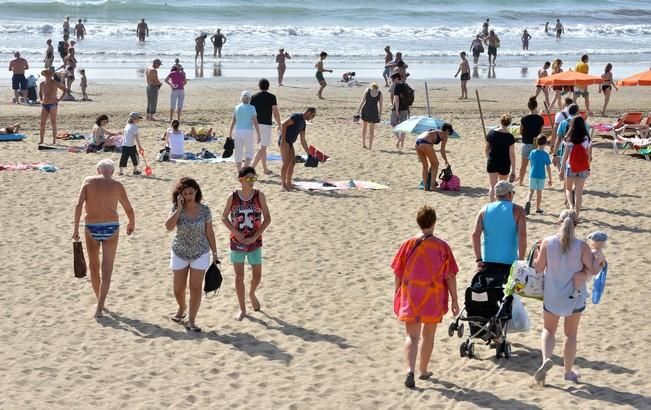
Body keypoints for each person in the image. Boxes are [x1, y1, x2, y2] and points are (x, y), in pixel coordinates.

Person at [391, 206, 459, 389]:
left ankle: (409, 371)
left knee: (412, 336)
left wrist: (397, 292)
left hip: (411, 294)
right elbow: (450, 275)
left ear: (418, 222)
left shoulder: (407, 244)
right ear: (434, 222)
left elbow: (398, 271)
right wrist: (454, 299)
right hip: (432, 295)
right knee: (428, 335)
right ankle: (423, 370)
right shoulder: (442, 246)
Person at [532, 209, 597, 385]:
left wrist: (538, 251)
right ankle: (568, 372)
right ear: (576, 225)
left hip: (552, 294)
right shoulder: (582, 246)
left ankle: (546, 359)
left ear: (558, 222)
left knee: (548, 330)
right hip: (574, 297)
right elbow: (591, 269)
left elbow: (538, 268)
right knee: (570, 335)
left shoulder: (547, 242)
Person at [72, 159, 136, 319]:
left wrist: (75, 229)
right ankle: (100, 307)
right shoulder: (117, 185)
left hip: (92, 227)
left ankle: (99, 302)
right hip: (111, 227)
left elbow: (78, 205)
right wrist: (131, 223)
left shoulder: (88, 181)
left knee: (94, 267)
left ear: (97, 170)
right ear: (112, 172)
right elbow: (128, 208)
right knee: (107, 271)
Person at [165, 177, 218, 332]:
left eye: (191, 192)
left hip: (200, 251)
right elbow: (168, 227)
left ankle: (192, 321)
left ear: (196, 192)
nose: (189, 195)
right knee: (178, 288)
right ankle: (182, 308)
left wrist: (214, 252)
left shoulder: (205, 209)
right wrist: (179, 209)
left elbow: (209, 231)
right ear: (180, 195)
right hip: (179, 251)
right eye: (185, 193)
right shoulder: (176, 208)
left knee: (195, 288)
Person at [221, 166, 272, 321]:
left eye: (253, 179)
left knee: (257, 276)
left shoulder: (259, 196)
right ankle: (242, 309)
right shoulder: (233, 197)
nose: (251, 182)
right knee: (239, 276)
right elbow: (224, 217)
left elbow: (267, 218)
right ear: (241, 180)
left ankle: (251, 293)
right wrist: (236, 232)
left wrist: (255, 236)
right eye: (248, 179)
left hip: (255, 242)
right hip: (237, 242)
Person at [472, 180, 527, 268]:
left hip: (488, 260)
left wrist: (478, 259)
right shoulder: (518, 210)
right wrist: (521, 259)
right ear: (509, 194)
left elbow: (475, 235)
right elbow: (522, 236)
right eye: (513, 192)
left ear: (496, 195)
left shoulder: (484, 210)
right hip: (509, 261)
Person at [559, 116, 592, 218]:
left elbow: (565, 155)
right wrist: (588, 168)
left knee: (568, 189)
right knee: (579, 192)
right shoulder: (586, 139)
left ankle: (571, 207)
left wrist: (561, 169)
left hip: (571, 166)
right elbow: (588, 156)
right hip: (582, 167)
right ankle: (576, 215)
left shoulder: (569, 138)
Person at [278, 108, 317, 190]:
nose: (312, 118)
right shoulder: (297, 117)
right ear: (308, 112)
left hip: (290, 143)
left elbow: (303, 140)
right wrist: (283, 140)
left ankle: (289, 182)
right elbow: (284, 124)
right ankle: (283, 184)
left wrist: (308, 153)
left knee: (292, 162)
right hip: (284, 141)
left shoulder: (303, 124)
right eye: (312, 115)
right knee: (286, 163)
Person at [251, 78, 281, 174]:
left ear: (259, 86)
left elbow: (251, 112)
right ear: (268, 86)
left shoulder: (254, 97)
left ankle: (265, 169)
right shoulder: (272, 97)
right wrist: (279, 123)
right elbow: (275, 112)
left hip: (255, 124)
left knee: (263, 147)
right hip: (266, 124)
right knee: (263, 148)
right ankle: (251, 168)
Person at [486, 114, 516, 201]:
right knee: (502, 187)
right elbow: (512, 155)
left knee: (493, 186)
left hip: (493, 162)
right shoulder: (510, 137)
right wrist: (513, 170)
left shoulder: (492, 133)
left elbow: (486, 150)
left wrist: (489, 159)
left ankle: (492, 205)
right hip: (504, 163)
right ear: (509, 123)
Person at [229, 91, 261, 171]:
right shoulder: (252, 108)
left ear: (241, 98)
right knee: (249, 152)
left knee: (238, 152)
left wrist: (230, 134)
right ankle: (244, 168)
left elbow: (233, 122)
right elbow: (255, 123)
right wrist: (259, 134)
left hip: (238, 131)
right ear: (249, 99)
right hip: (248, 131)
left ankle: (239, 171)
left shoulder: (237, 107)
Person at [415, 125, 453, 191]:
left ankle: (425, 187)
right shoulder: (444, 135)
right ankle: (432, 186)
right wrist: (446, 160)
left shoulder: (433, 130)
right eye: (449, 133)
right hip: (425, 143)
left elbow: (429, 142)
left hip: (417, 142)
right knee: (435, 164)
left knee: (425, 166)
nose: (448, 135)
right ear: (447, 130)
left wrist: (419, 155)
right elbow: (442, 150)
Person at [571, 231, 607, 299]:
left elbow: (594, 270)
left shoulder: (594, 252)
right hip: (588, 274)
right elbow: (604, 264)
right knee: (580, 281)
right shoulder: (601, 253)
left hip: (587, 274)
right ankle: (584, 292)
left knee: (576, 276)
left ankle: (576, 291)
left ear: (594, 242)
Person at [518, 96, 544, 186]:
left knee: (523, 166)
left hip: (526, 143)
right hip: (536, 144)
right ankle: (535, 183)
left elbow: (520, 132)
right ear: (536, 106)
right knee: (535, 166)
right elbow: (541, 133)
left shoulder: (524, 119)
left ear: (528, 107)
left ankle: (521, 182)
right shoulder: (540, 119)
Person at [525, 135, 552, 215]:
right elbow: (548, 167)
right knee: (539, 193)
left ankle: (528, 203)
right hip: (541, 176)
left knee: (530, 191)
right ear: (544, 144)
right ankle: (537, 208)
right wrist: (550, 178)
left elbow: (531, 163)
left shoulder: (532, 152)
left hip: (532, 174)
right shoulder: (545, 154)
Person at [38, 68, 66, 144]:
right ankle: (41, 140)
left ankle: (54, 141)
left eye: (49, 74)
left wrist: (59, 99)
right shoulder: (42, 84)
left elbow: (65, 90)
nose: (48, 76)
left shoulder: (55, 83)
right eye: (46, 74)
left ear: (51, 75)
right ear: (44, 75)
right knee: (42, 123)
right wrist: (40, 100)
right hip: (44, 105)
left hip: (53, 105)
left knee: (53, 122)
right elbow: (40, 92)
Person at [356, 82, 383, 149]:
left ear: (372, 86)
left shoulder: (367, 90)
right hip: (374, 112)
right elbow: (381, 105)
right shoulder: (379, 93)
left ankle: (363, 144)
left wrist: (358, 111)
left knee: (364, 128)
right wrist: (380, 114)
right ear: (377, 87)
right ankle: (370, 146)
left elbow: (362, 101)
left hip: (366, 110)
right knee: (371, 130)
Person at [390, 72, 409, 150]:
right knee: (403, 127)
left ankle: (399, 139)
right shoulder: (406, 85)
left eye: (393, 79)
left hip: (397, 109)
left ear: (397, 78)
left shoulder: (397, 86)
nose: (392, 81)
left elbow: (396, 99)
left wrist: (397, 110)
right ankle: (402, 144)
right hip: (405, 108)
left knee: (393, 124)